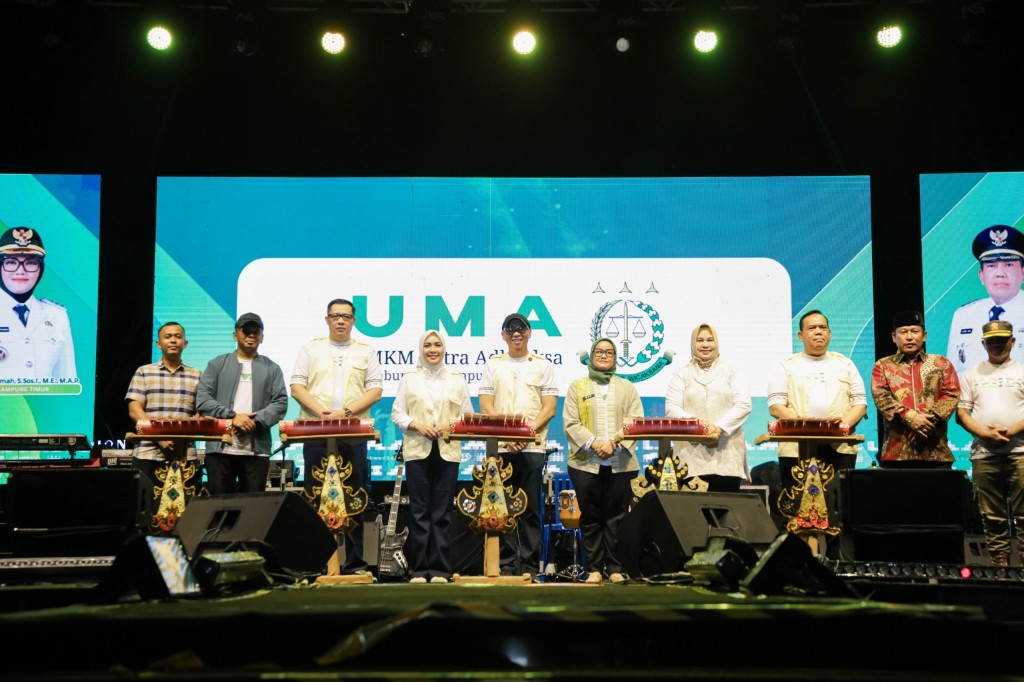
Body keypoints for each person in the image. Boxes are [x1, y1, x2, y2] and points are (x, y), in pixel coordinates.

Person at [290, 298, 383, 575]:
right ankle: (317, 563)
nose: (340, 321)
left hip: (352, 432)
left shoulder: (366, 351)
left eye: (346, 316)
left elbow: (375, 390)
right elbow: (297, 386)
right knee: (315, 496)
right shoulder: (311, 348)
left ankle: (355, 564)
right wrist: (321, 413)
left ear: (354, 321)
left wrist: (345, 412)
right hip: (316, 432)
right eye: (335, 316)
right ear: (327, 319)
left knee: (355, 496)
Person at [766, 310, 867, 557]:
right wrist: (806, 427)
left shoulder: (845, 364)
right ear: (801, 335)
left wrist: (841, 427)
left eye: (822, 328)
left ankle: (838, 565)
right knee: (798, 511)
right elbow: (776, 406)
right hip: (796, 449)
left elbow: (860, 403)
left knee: (838, 510)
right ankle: (801, 564)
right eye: (812, 328)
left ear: (830, 334)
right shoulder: (786, 366)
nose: (818, 332)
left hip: (839, 447)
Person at [478, 312, 559, 579]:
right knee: (500, 508)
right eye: (510, 329)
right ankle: (506, 564)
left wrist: (524, 435)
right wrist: (508, 435)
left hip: (532, 447)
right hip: (501, 448)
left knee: (530, 509)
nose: (516, 334)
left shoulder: (543, 365)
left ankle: (530, 566)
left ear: (529, 333)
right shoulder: (493, 365)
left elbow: (549, 409)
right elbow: (486, 406)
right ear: (503, 335)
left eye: (521, 329)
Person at [391, 330, 474, 584]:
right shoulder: (409, 379)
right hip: (417, 450)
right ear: (421, 349)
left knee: (441, 512)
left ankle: (440, 570)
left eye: (437, 344)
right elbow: (397, 413)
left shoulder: (457, 380)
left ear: (444, 348)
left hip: (448, 452)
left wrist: (450, 426)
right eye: (427, 345)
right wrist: (417, 424)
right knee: (418, 512)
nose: (433, 349)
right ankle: (419, 570)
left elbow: (467, 417)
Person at [563, 338, 643, 584]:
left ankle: (616, 568)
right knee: (590, 517)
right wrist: (595, 443)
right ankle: (595, 569)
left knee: (617, 517)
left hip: (621, 463)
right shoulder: (577, 386)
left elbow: (635, 422)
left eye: (609, 352)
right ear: (591, 356)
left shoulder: (627, 387)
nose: (604, 355)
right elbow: (571, 423)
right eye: (599, 351)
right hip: (585, 463)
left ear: (616, 357)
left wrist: (614, 444)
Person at [955, 320, 1024, 567]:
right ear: (984, 344)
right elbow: (961, 414)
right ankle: (1000, 565)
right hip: (984, 454)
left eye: (1002, 340)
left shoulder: (1022, 371)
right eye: (992, 341)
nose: (997, 345)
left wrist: (1010, 432)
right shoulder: (971, 374)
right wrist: (985, 434)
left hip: (1020, 452)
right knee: (991, 515)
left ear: (1012, 342)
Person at [195, 313, 289, 495]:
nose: (251, 335)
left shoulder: (272, 368)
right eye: (246, 331)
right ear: (235, 335)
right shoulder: (217, 364)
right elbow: (203, 399)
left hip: (257, 451)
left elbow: (281, 402)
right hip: (220, 449)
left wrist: (255, 421)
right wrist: (232, 417)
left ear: (262, 337)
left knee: (253, 507)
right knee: (219, 505)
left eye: (256, 331)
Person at [664, 323, 752, 493]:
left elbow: (744, 404)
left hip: (727, 453)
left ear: (716, 343)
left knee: (727, 506)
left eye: (710, 340)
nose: (705, 345)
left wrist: (718, 429)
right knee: (693, 508)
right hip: (690, 455)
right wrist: (701, 428)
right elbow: (672, 408)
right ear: (693, 343)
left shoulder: (732, 370)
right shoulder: (681, 374)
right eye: (700, 340)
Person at [125, 321, 203, 508]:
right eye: (168, 337)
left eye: (178, 337)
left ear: (185, 343)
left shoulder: (197, 375)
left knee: (186, 513)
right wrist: (159, 437)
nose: (173, 340)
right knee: (144, 510)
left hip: (185, 454)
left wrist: (181, 436)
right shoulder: (144, 372)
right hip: (148, 453)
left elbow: (201, 413)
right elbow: (135, 410)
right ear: (158, 344)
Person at [872, 311, 960, 469]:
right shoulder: (883, 366)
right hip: (896, 453)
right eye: (903, 332)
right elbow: (882, 397)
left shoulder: (941, 363)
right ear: (894, 337)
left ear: (924, 335)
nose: (909, 337)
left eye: (914, 331)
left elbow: (952, 394)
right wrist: (911, 418)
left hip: (936, 452)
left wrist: (925, 422)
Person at [0, 226, 76, 383]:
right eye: (11, 262)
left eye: (30, 263)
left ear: (40, 269)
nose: (20, 271)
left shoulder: (57, 316)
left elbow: (67, 382)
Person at [948, 225, 1024, 377]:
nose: (1000, 273)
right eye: (991, 266)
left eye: (1009, 264)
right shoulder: (963, 315)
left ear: (1023, 273)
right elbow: (952, 375)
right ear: (981, 275)